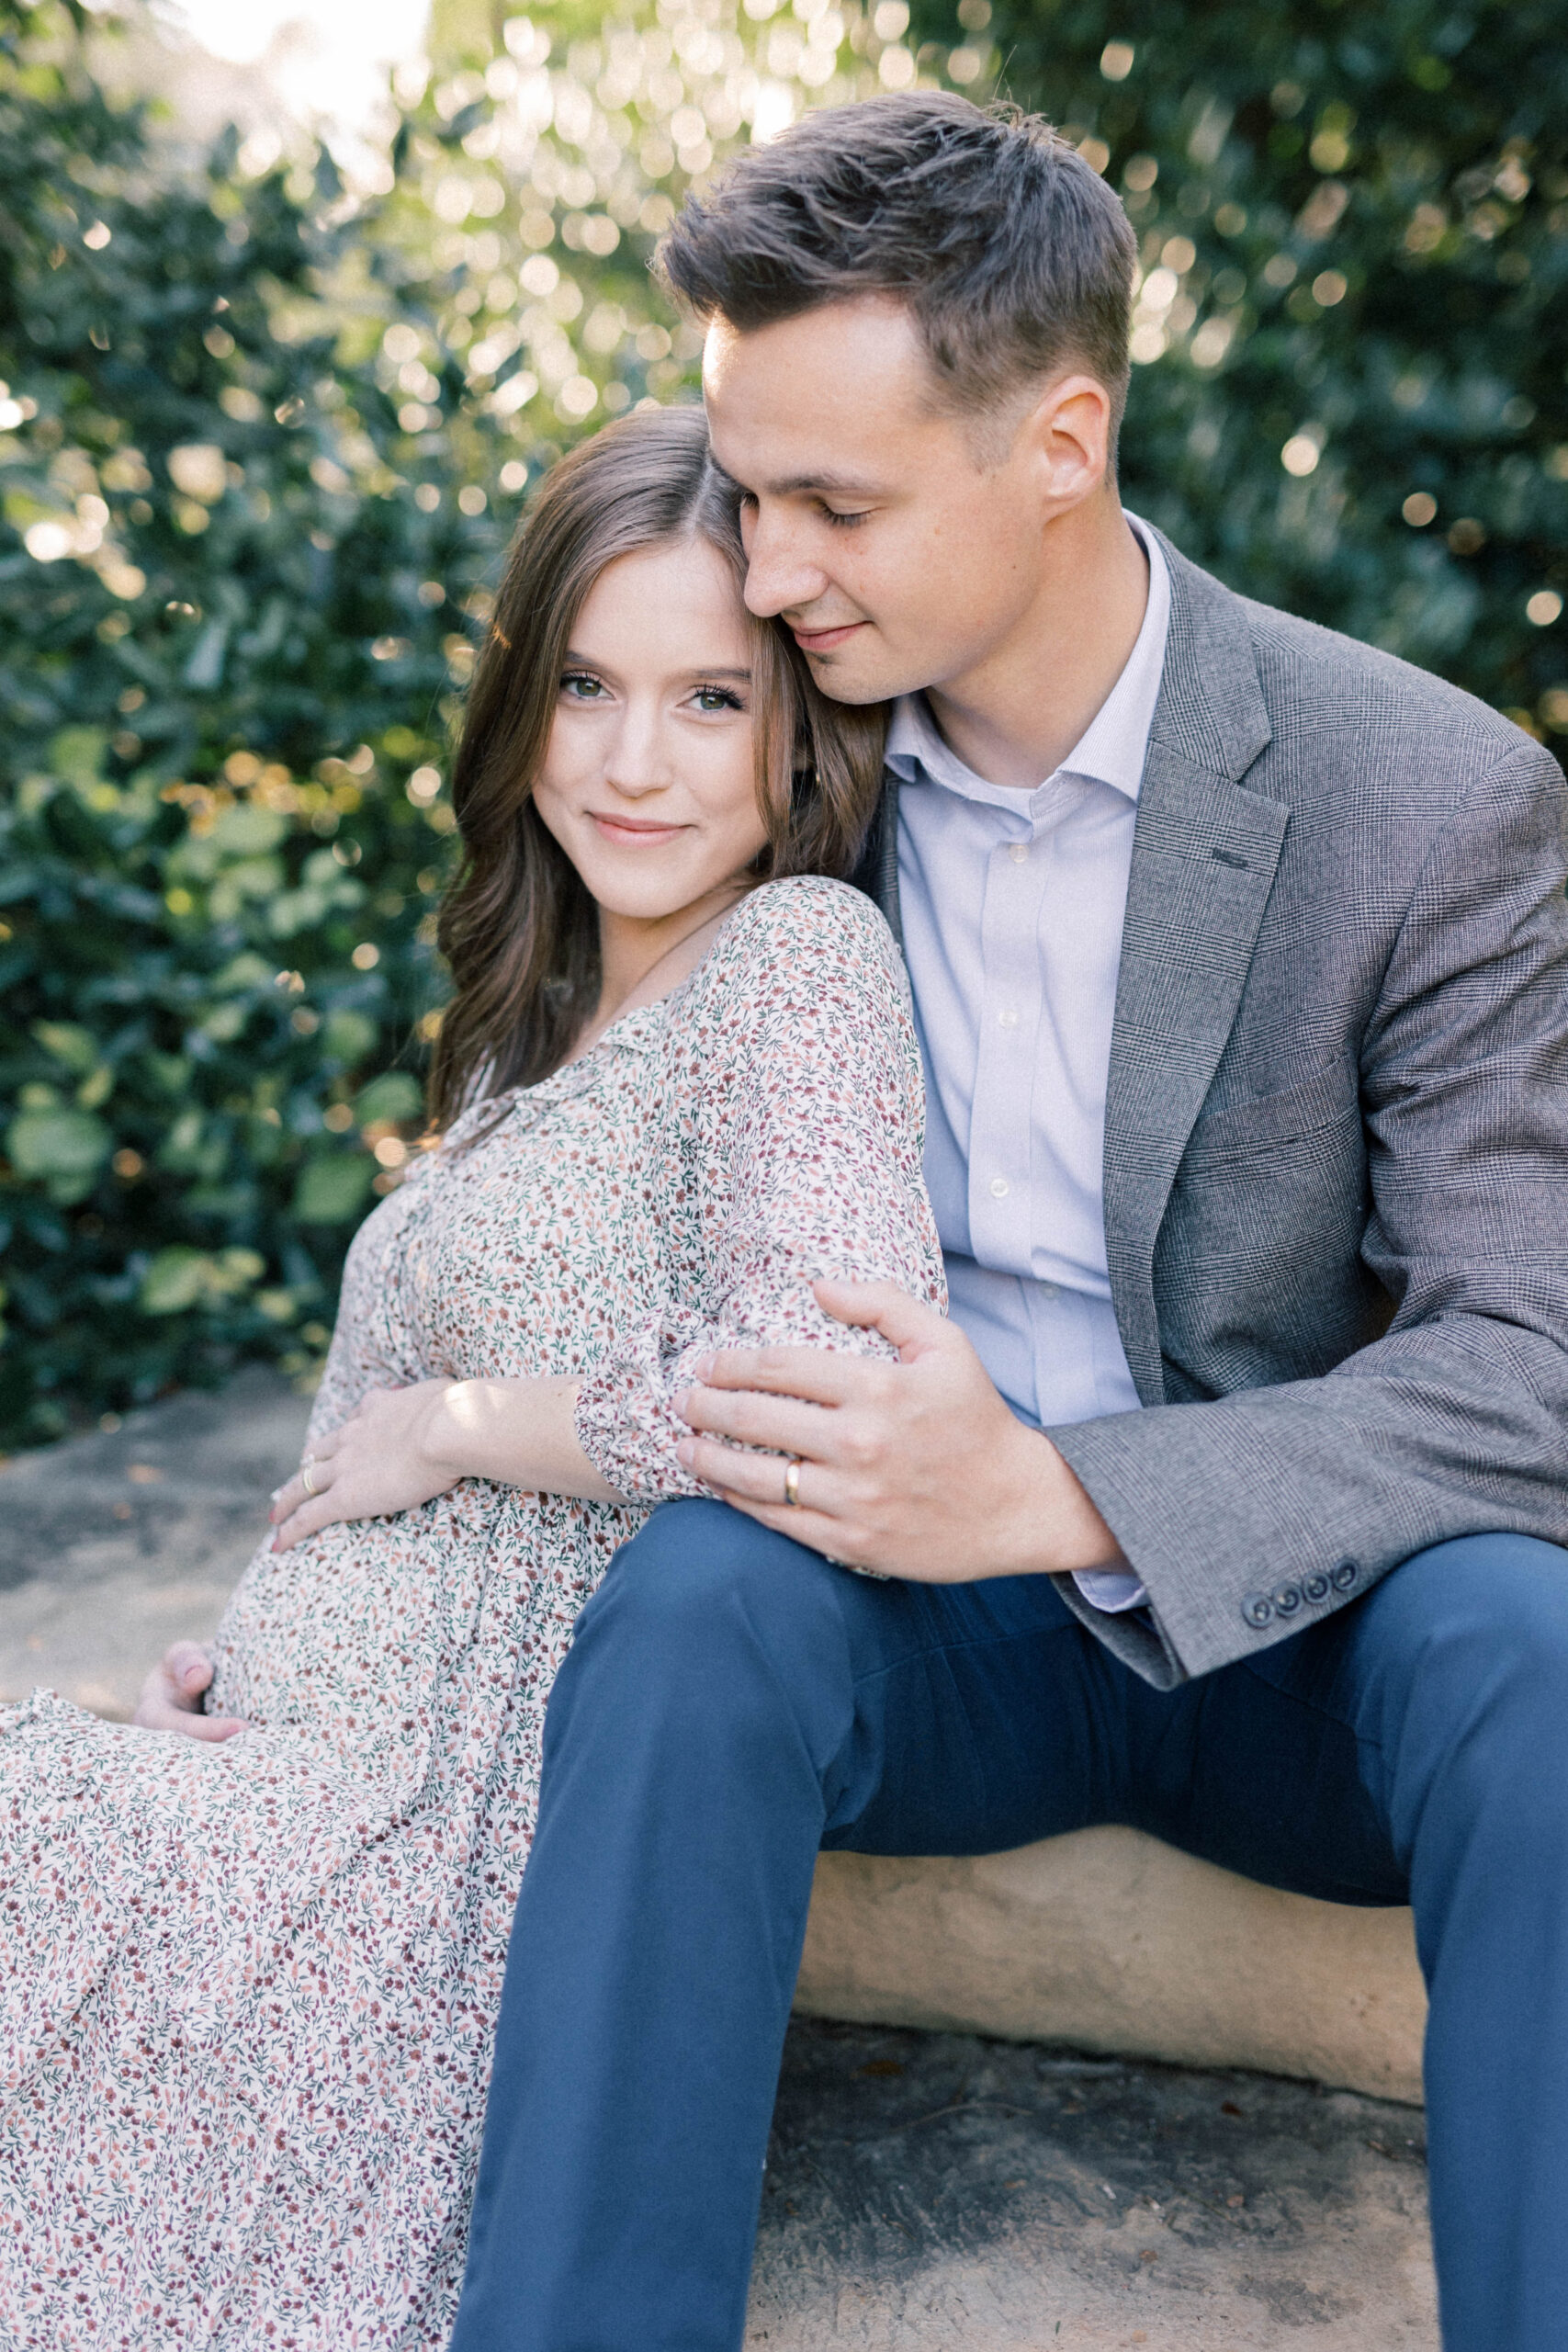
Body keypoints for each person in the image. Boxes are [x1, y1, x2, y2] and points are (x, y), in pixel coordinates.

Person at [430, 97, 1568, 2352]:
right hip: (914, 1633)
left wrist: (1051, 1486)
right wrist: (325, 1613)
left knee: (1533, 1654)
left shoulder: (1427, 800)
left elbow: (1523, 1367)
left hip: (1310, 1637)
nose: (761, 571)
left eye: (829, 506)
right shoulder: (785, 780)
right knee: (693, 1610)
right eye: (747, 495)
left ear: (1058, 443)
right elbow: (530, 1219)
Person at [0, 403, 944, 2348]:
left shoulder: (799, 959)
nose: (626, 759)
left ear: (798, 733)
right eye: (586, 682)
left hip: (445, 1840)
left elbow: (830, 1388)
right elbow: (338, 1472)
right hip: (289, 1766)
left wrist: (464, 1424)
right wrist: (221, 1659)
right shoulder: (526, 1044)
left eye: (705, 697)